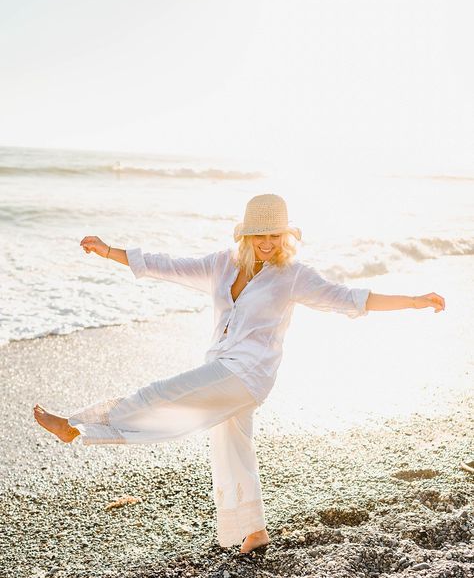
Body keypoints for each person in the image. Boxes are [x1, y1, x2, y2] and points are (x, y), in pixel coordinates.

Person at [33, 194, 446, 554]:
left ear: (286, 238)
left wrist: (413, 301)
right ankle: (253, 529)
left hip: (248, 374)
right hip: (222, 364)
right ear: (246, 236)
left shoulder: (294, 275)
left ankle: (78, 426)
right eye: (259, 236)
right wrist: (109, 251)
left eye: (275, 236)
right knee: (232, 447)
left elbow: (349, 298)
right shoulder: (221, 264)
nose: (268, 244)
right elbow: (167, 265)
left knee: (163, 393)